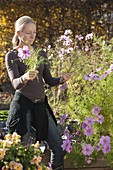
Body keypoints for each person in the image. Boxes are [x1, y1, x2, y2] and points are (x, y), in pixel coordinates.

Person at [5, 15, 70, 170]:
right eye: (28, 32)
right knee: (22, 153)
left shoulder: (40, 53)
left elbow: (48, 79)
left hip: (41, 106)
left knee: (59, 147)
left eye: (34, 32)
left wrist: (60, 79)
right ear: (19, 34)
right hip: (23, 107)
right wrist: (25, 77)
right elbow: (15, 84)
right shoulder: (12, 56)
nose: (32, 36)